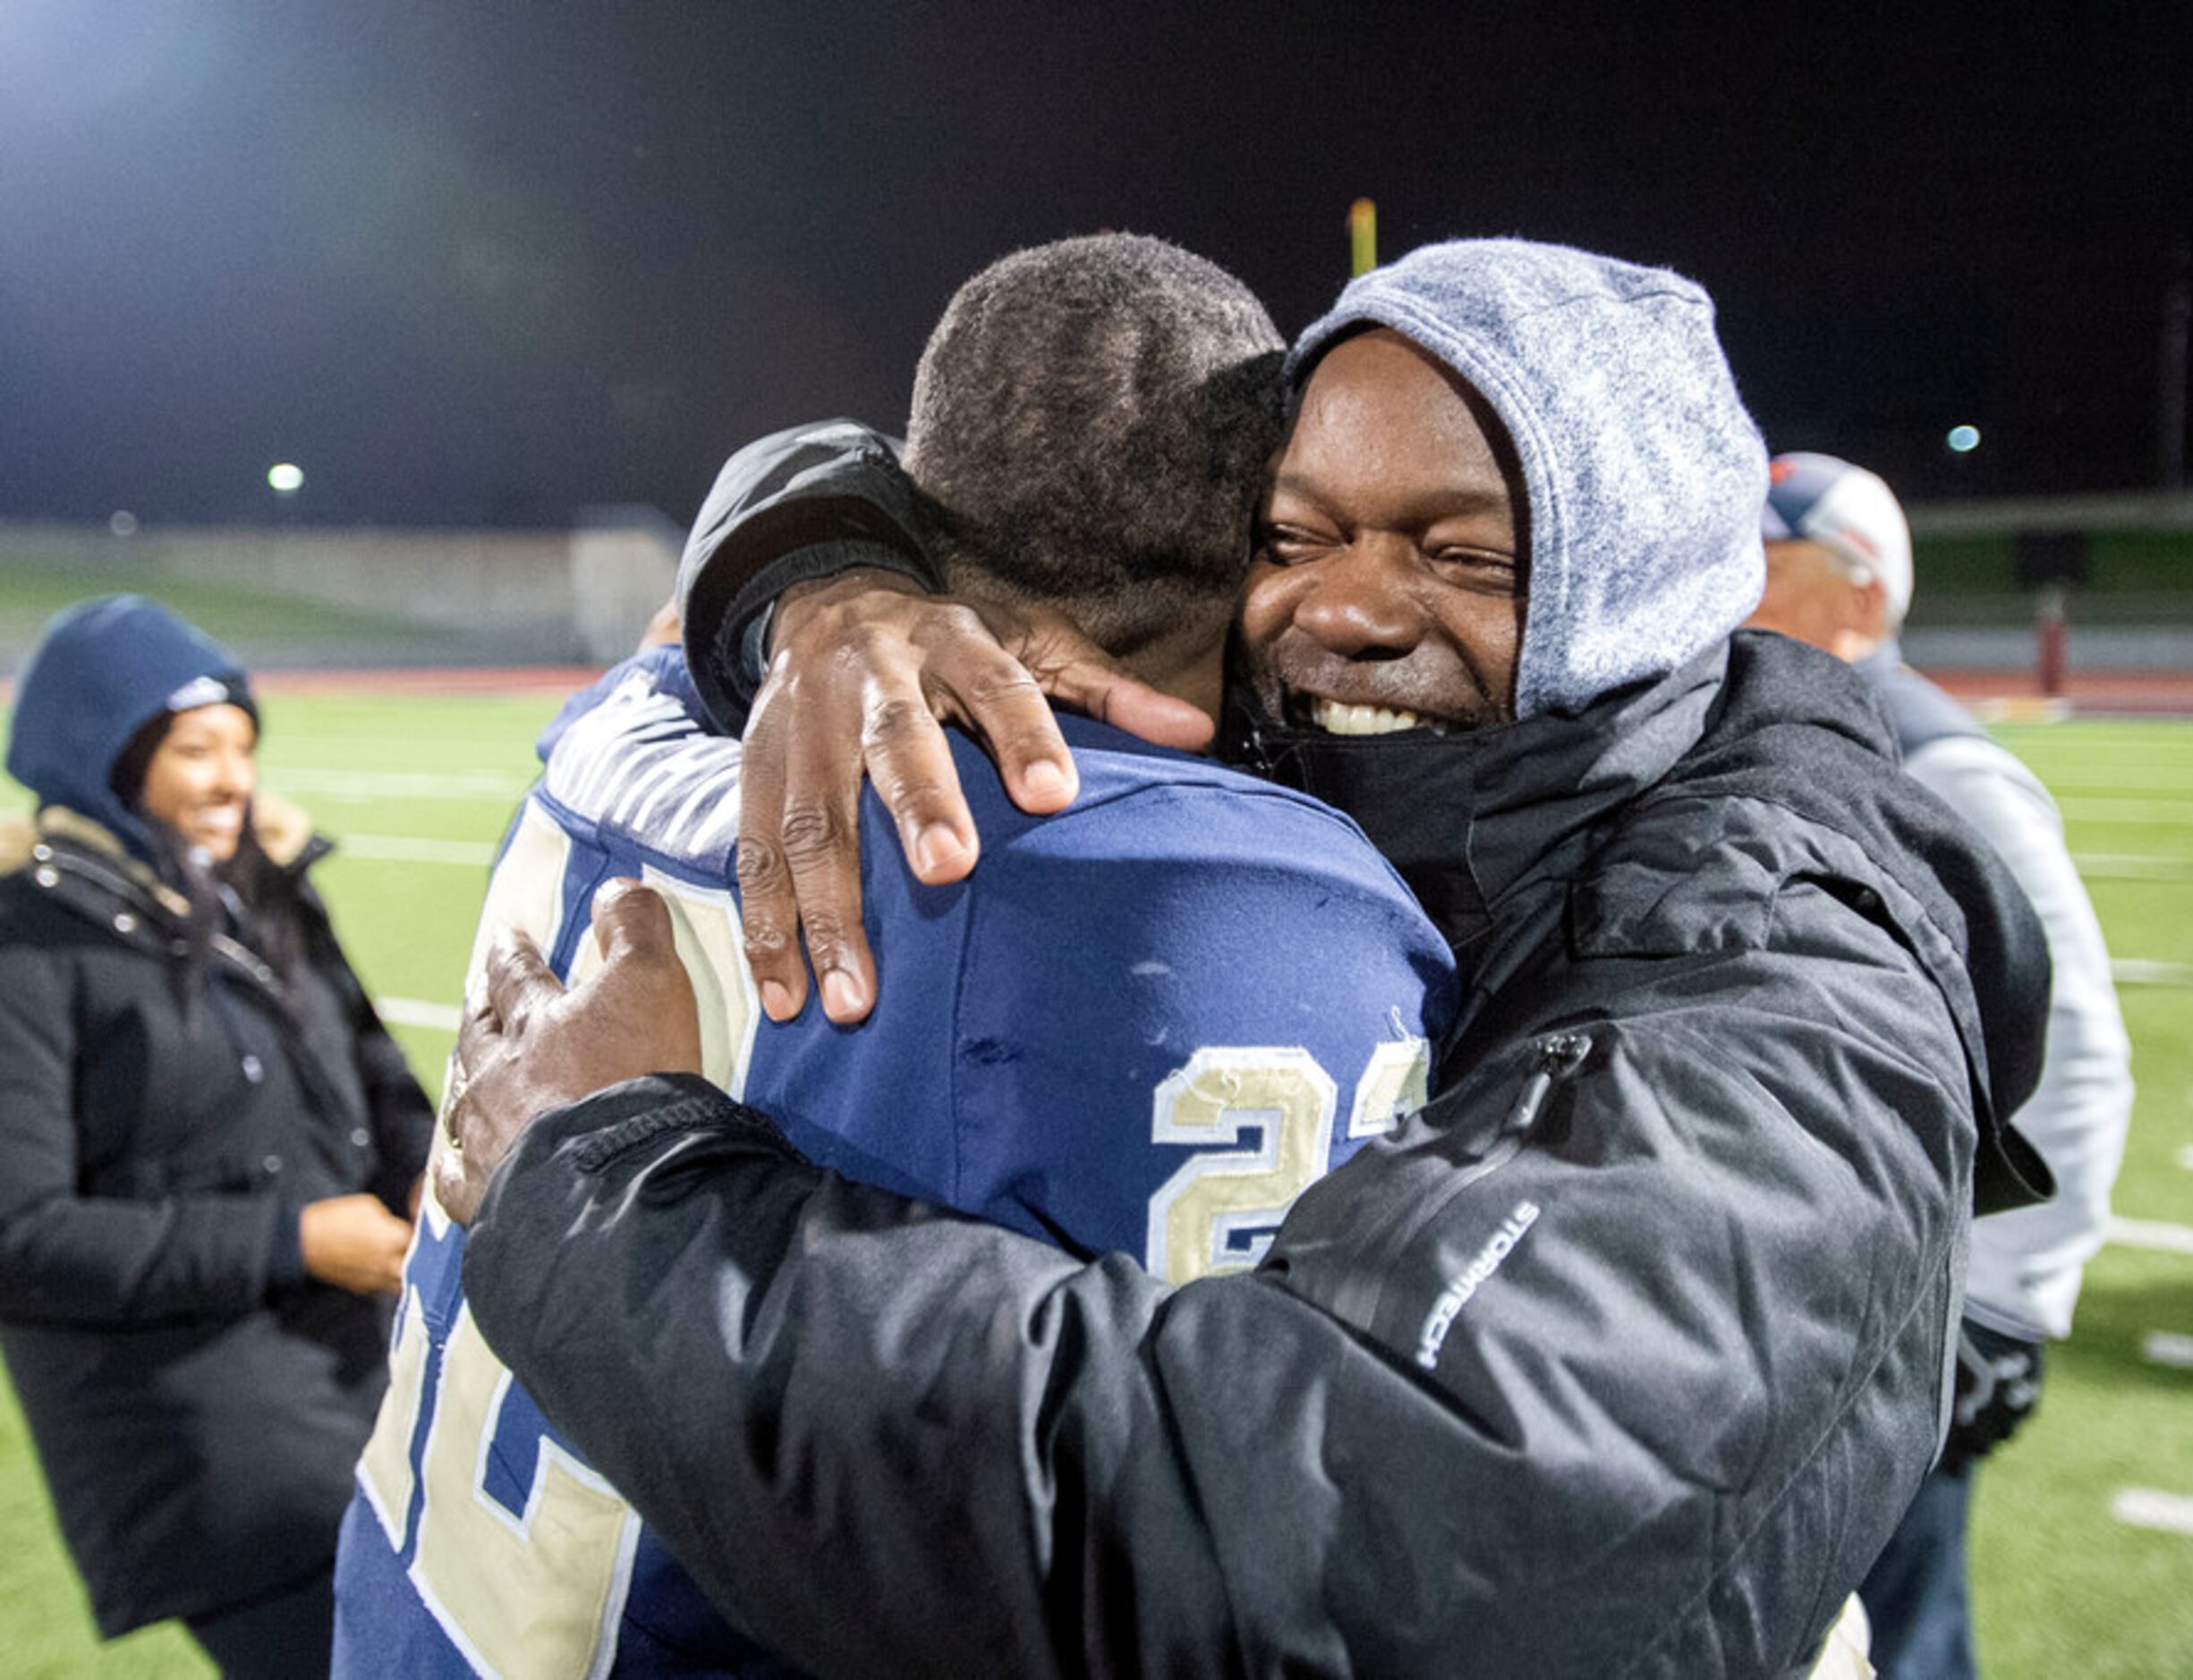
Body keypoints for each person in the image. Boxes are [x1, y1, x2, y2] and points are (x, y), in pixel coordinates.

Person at [446, 239, 2054, 1676]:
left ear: (1635, 589)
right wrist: (831, 587)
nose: (1345, 606)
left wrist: (615, 1192)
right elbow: (888, 462)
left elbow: (1328, 1543)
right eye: (1297, 531)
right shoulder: (1412, 771)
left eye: (1465, 554)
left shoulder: (1792, 986)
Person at [332, 234, 1455, 1676]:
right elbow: (1191, 1557)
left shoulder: (642, 697)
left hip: (418, 1604)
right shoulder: (1199, 892)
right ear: (1259, 532)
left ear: (913, 498)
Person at [1748, 453, 2134, 1678]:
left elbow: (2072, 1047)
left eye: (1766, 563)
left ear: (1863, 596)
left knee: (1897, 1638)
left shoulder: (1934, 763)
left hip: (1906, 1317)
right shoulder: (1769, 723)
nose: (1730, 587)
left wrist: (2009, 1303)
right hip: (1798, 1288)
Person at [0, 596, 433, 1676]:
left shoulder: (262, 897)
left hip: (361, 1401)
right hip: (223, 1464)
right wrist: (291, 1240)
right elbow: (23, 1235)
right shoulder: (25, 951)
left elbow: (378, 1076)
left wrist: (432, 1170)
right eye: (197, 751)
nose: (234, 781)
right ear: (104, 756)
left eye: (244, 746)